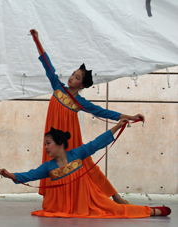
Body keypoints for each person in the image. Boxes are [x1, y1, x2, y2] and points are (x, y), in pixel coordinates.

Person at [30, 29, 144, 204]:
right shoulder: (57, 87)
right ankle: (58, 199)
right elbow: (47, 65)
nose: (71, 78)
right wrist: (37, 40)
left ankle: (115, 196)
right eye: (72, 74)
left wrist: (130, 116)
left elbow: (103, 112)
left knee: (87, 165)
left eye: (76, 77)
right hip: (53, 136)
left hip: (70, 138)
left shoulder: (80, 102)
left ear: (81, 84)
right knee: (53, 163)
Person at [0, 120, 171, 218]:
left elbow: (97, 143)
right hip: (63, 208)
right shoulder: (48, 167)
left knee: (117, 210)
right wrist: (9, 174)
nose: (46, 148)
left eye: (48, 143)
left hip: (91, 201)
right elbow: (29, 175)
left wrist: (118, 125)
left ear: (60, 143)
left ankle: (153, 211)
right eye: (45, 144)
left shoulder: (78, 154)